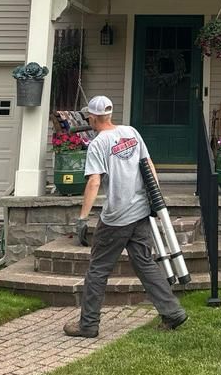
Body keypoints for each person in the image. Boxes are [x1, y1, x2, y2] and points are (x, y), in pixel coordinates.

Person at [64, 95, 187, 338]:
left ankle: (88, 325)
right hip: (140, 211)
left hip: (116, 218)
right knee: (144, 263)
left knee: (98, 270)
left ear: (91, 117)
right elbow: (148, 164)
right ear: (109, 114)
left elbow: (94, 181)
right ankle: (172, 312)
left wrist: (82, 218)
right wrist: (156, 198)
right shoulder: (131, 132)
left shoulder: (98, 144)